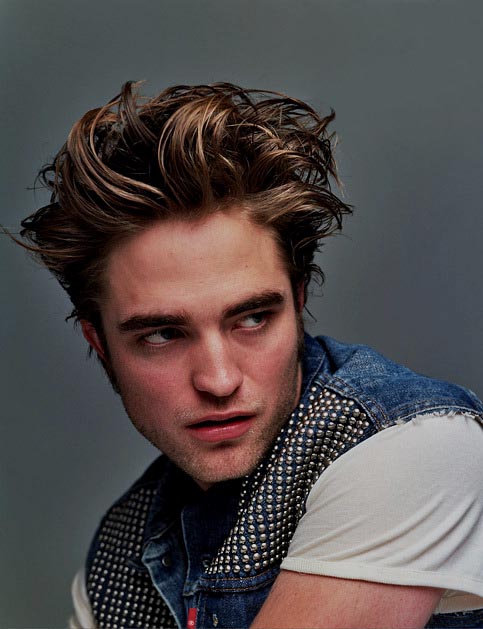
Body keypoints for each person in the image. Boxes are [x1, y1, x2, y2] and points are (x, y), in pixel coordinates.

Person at [16, 81, 483, 629]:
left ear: (298, 301)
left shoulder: (415, 447)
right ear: (99, 344)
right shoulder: (116, 568)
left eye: (253, 318)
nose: (219, 380)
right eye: (162, 334)